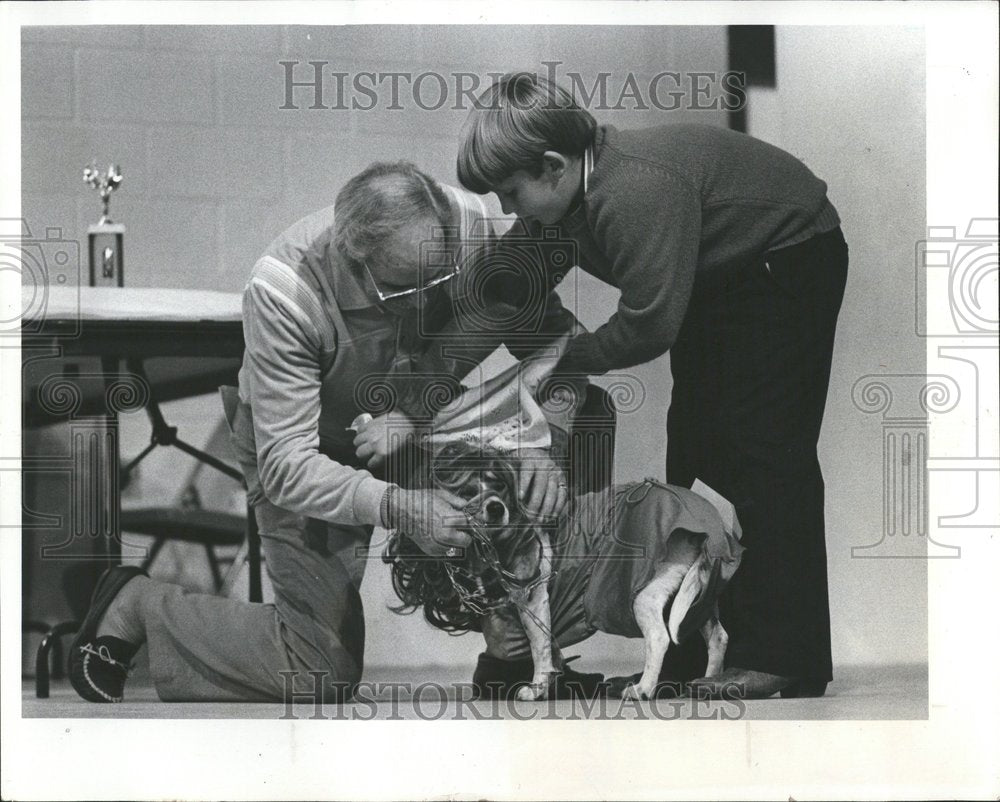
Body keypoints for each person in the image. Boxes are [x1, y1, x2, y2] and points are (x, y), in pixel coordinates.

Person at [68, 161, 589, 704]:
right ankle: (137, 603)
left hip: (415, 425)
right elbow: (287, 465)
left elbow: (563, 343)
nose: (422, 303)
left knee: (582, 419)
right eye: (399, 289)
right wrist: (400, 506)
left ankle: (518, 658)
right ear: (356, 263)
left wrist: (544, 441)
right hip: (313, 447)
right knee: (319, 671)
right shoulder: (285, 290)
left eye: (437, 281)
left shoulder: (476, 229)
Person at [455, 73, 848, 699]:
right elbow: (503, 280)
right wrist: (432, 371)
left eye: (511, 192)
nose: (508, 210)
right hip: (721, 276)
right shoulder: (568, 200)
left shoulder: (632, 191)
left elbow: (648, 326)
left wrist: (557, 358)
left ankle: (782, 654)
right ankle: (692, 648)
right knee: (694, 449)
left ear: (553, 167)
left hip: (784, 257)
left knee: (764, 450)